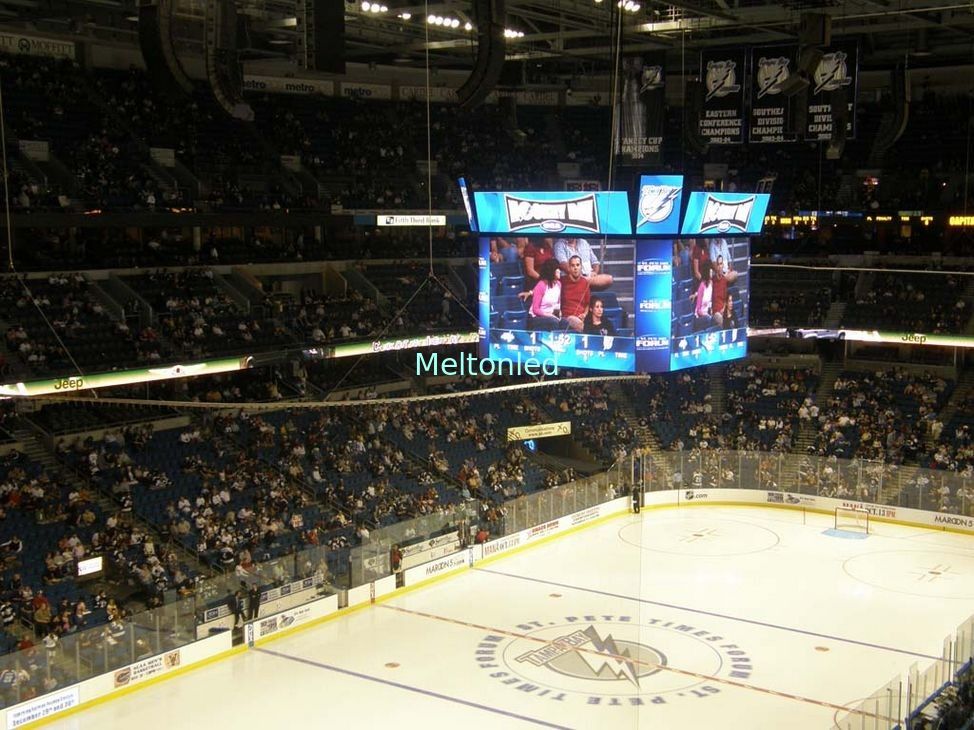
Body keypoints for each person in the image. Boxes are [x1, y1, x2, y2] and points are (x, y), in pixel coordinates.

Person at [519, 258, 562, 330]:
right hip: (536, 317)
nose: (560, 271)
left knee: (565, 323)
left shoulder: (559, 284)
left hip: (551, 315)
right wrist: (549, 315)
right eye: (557, 269)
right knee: (553, 322)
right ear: (552, 271)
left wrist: (558, 314)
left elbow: (558, 304)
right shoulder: (541, 285)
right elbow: (535, 310)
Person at [560, 255, 591, 332]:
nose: (575, 268)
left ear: (581, 267)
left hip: (581, 318)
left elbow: (587, 304)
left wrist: (584, 314)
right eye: (572, 265)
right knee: (577, 322)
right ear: (569, 268)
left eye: (577, 265)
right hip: (567, 318)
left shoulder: (585, 282)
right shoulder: (562, 281)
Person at [694, 262, 715, 331]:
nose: (712, 272)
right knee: (709, 319)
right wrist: (706, 315)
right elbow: (698, 310)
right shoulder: (702, 286)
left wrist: (711, 311)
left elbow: (710, 301)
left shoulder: (711, 283)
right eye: (710, 271)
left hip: (708, 313)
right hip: (700, 316)